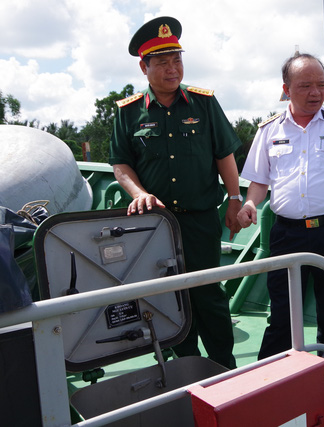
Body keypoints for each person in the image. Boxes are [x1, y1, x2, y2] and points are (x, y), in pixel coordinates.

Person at [237, 52, 324, 417]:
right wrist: (250, 205)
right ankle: (266, 386)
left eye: (321, 85)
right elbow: (259, 184)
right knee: (282, 316)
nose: (315, 93)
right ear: (286, 90)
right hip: (287, 235)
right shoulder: (269, 132)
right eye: (305, 86)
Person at [109, 16, 241, 369]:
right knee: (168, 297)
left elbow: (223, 154)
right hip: (155, 224)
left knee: (208, 293)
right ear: (144, 66)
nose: (173, 69)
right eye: (163, 62)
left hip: (200, 220)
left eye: (177, 60)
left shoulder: (203, 104)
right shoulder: (128, 112)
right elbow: (121, 165)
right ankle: (188, 367)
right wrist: (138, 193)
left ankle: (224, 365)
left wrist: (235, 198)